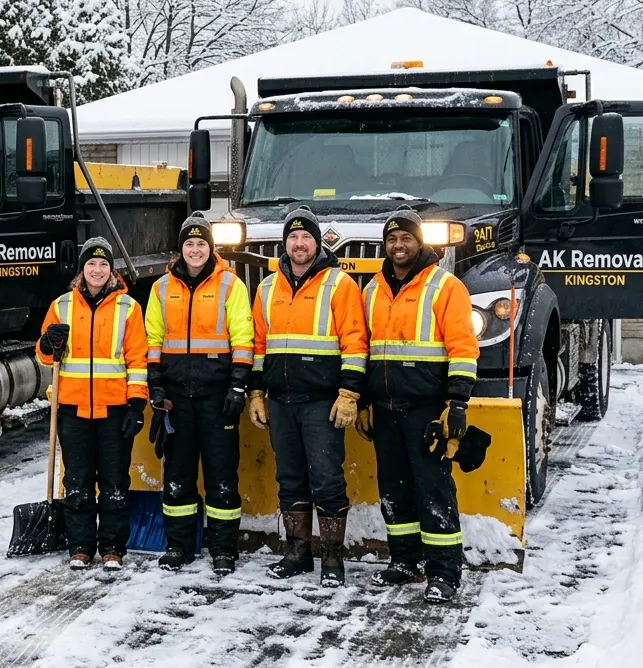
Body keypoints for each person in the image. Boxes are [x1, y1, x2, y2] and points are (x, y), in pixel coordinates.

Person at [362, 209, 479, 604]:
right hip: (385, 406)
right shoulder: (372, 290)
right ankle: (405, 561)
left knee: (433, 489)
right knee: (393, 488)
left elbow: (463, 347)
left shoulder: (445, 286)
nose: (399, 246)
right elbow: (363, 350)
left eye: (406, 239)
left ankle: (444, 572)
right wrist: (362, 400)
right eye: (392, 239)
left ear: (420, 243)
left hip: (427, 408)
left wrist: (458, 402)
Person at [248, 207, 368, 587]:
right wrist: (256, 391)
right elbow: (258, 345)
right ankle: (297, 554)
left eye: (306, 238)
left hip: (322, 402)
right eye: (293, 238)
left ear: (318, 243)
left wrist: (349, 393)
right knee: (290, 479)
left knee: (327, 478)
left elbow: (354, 343)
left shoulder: (339, 284)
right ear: (285, 244)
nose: (299, 244)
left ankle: (332, 558)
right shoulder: (267, 288)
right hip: (281, 400)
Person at [145, 215, 254, 576]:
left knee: (222, 475)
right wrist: (156, 386)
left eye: (201, 244)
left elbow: (243, 337)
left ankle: (223, 548)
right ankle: (179, 545)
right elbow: (153, 341)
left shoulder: (230, 285)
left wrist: (238, 385)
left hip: (217, 395)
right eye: (189, 244)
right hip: (176, 398)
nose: (195, 250)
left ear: (212, 248)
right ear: (181, 249)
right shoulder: (161, 288)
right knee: (177, 475)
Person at [36, 237, 149, 572]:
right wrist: (47, 343)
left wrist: (136, 404)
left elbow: (137, 361)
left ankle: (113, 547)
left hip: (114, 411)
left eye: (103, 265)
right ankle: (81, 547)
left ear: (111, 270)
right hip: (73, 411)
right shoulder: (62, 306)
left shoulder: (128, 307)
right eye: (91, 264)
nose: (97, 270)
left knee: (115, 482)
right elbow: (44, 357)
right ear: (81, 269)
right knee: (78, 482)